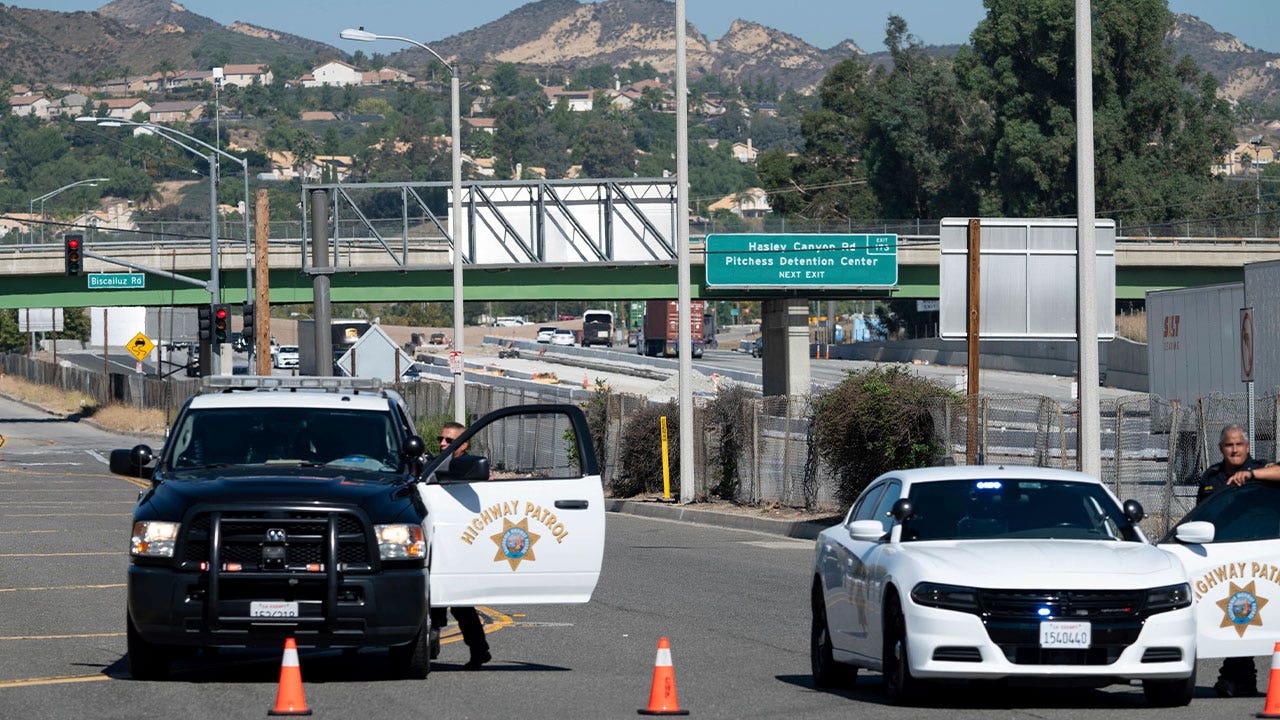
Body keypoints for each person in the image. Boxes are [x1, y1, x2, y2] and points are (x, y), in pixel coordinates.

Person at [1198, 424, 1271, 697]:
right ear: (1221, 448)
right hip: (1222, 555)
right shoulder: (1211, 477)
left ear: (1248, 447)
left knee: (1244, 611)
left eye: (1239, 444)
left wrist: (1251, 475)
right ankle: (1241, 677)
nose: (1235, 449)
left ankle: (1234, 677)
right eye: (1229, 445)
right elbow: (1202, 514)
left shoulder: (1261, 469)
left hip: (1258, 553)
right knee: (1235, 613)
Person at [428, 422, 492, 670]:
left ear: (463, 445)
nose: (443, 444)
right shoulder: (431, 464)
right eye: (440, 439)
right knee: (431, 596)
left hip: (459, 542)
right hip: (434, 537)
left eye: (449, 441)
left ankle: (478, 649)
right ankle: (432, 639)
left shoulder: (466, 464)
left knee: (460, 602)